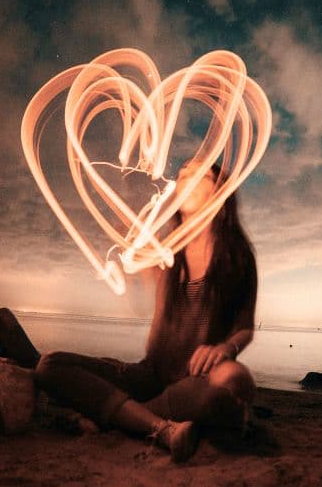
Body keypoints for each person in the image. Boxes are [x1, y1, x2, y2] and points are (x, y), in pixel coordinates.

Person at [35, 159, 258, 463]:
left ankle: (126, 416)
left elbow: (245, 327)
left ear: (220, 193)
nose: (186, 177)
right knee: (50, 365)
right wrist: (130, 254)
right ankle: (155, 423)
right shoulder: (164, 252)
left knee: (234, 380)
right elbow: (141, 304)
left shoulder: (238, 258)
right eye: (182, 174)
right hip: (150, 374)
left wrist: (225, 348)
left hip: (198, 378)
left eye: (200, 174)